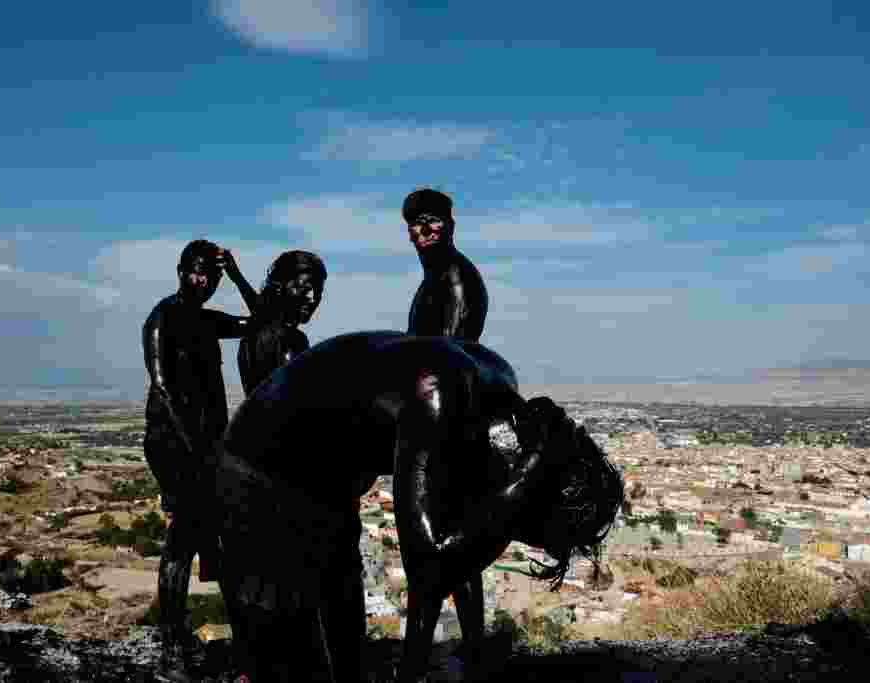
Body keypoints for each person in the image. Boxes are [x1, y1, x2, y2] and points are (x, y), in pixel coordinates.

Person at [214, 331, 623, 682]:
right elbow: (429, 565)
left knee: (343, 626)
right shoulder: (442, 392)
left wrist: (420, 666)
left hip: (323, 480)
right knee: (288, 647)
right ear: (531, 492)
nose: (511, 534)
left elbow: (452, 554)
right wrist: (519, 490)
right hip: (259, 472)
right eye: (523, 526)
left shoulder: (496, 399)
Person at [141, 239, 253, 663]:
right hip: (175, 444)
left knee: (214, 536)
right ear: (181, 269)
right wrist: (192, 450)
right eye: (197, 270)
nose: (204, 280)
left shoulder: (207, 321)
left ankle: (227, 632)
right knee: (185, 536)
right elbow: (164, 388)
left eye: (213, 274)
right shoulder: (161, 319)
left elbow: (261, 320)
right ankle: (170, 635)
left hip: (207, 445)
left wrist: (239, 273)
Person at [236, 250, 327, 397]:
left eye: (318, 292)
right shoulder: (264, 337)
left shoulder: (296, 339)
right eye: (305, 288)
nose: (313, 298)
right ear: (279, 287)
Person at [403, 188, 488, 342]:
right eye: (417, 223)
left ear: (451, 226)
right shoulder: (431, 281)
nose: (425, 229)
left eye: (433, 221)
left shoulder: (458, 278)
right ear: (410, 233)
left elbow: (452, 348)